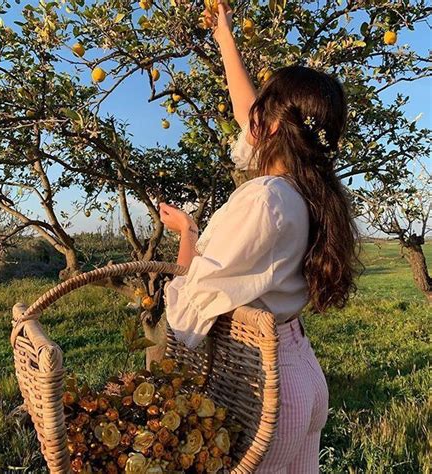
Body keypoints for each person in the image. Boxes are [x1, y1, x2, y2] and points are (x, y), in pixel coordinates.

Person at [158, 0, 360, 471]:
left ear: (270, 127)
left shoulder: (265, 199)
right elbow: (250, 111)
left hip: (264, 386)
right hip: (302, 373)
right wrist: (225, 35)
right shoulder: (311, 190)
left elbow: (192, 306)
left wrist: (188, 233)